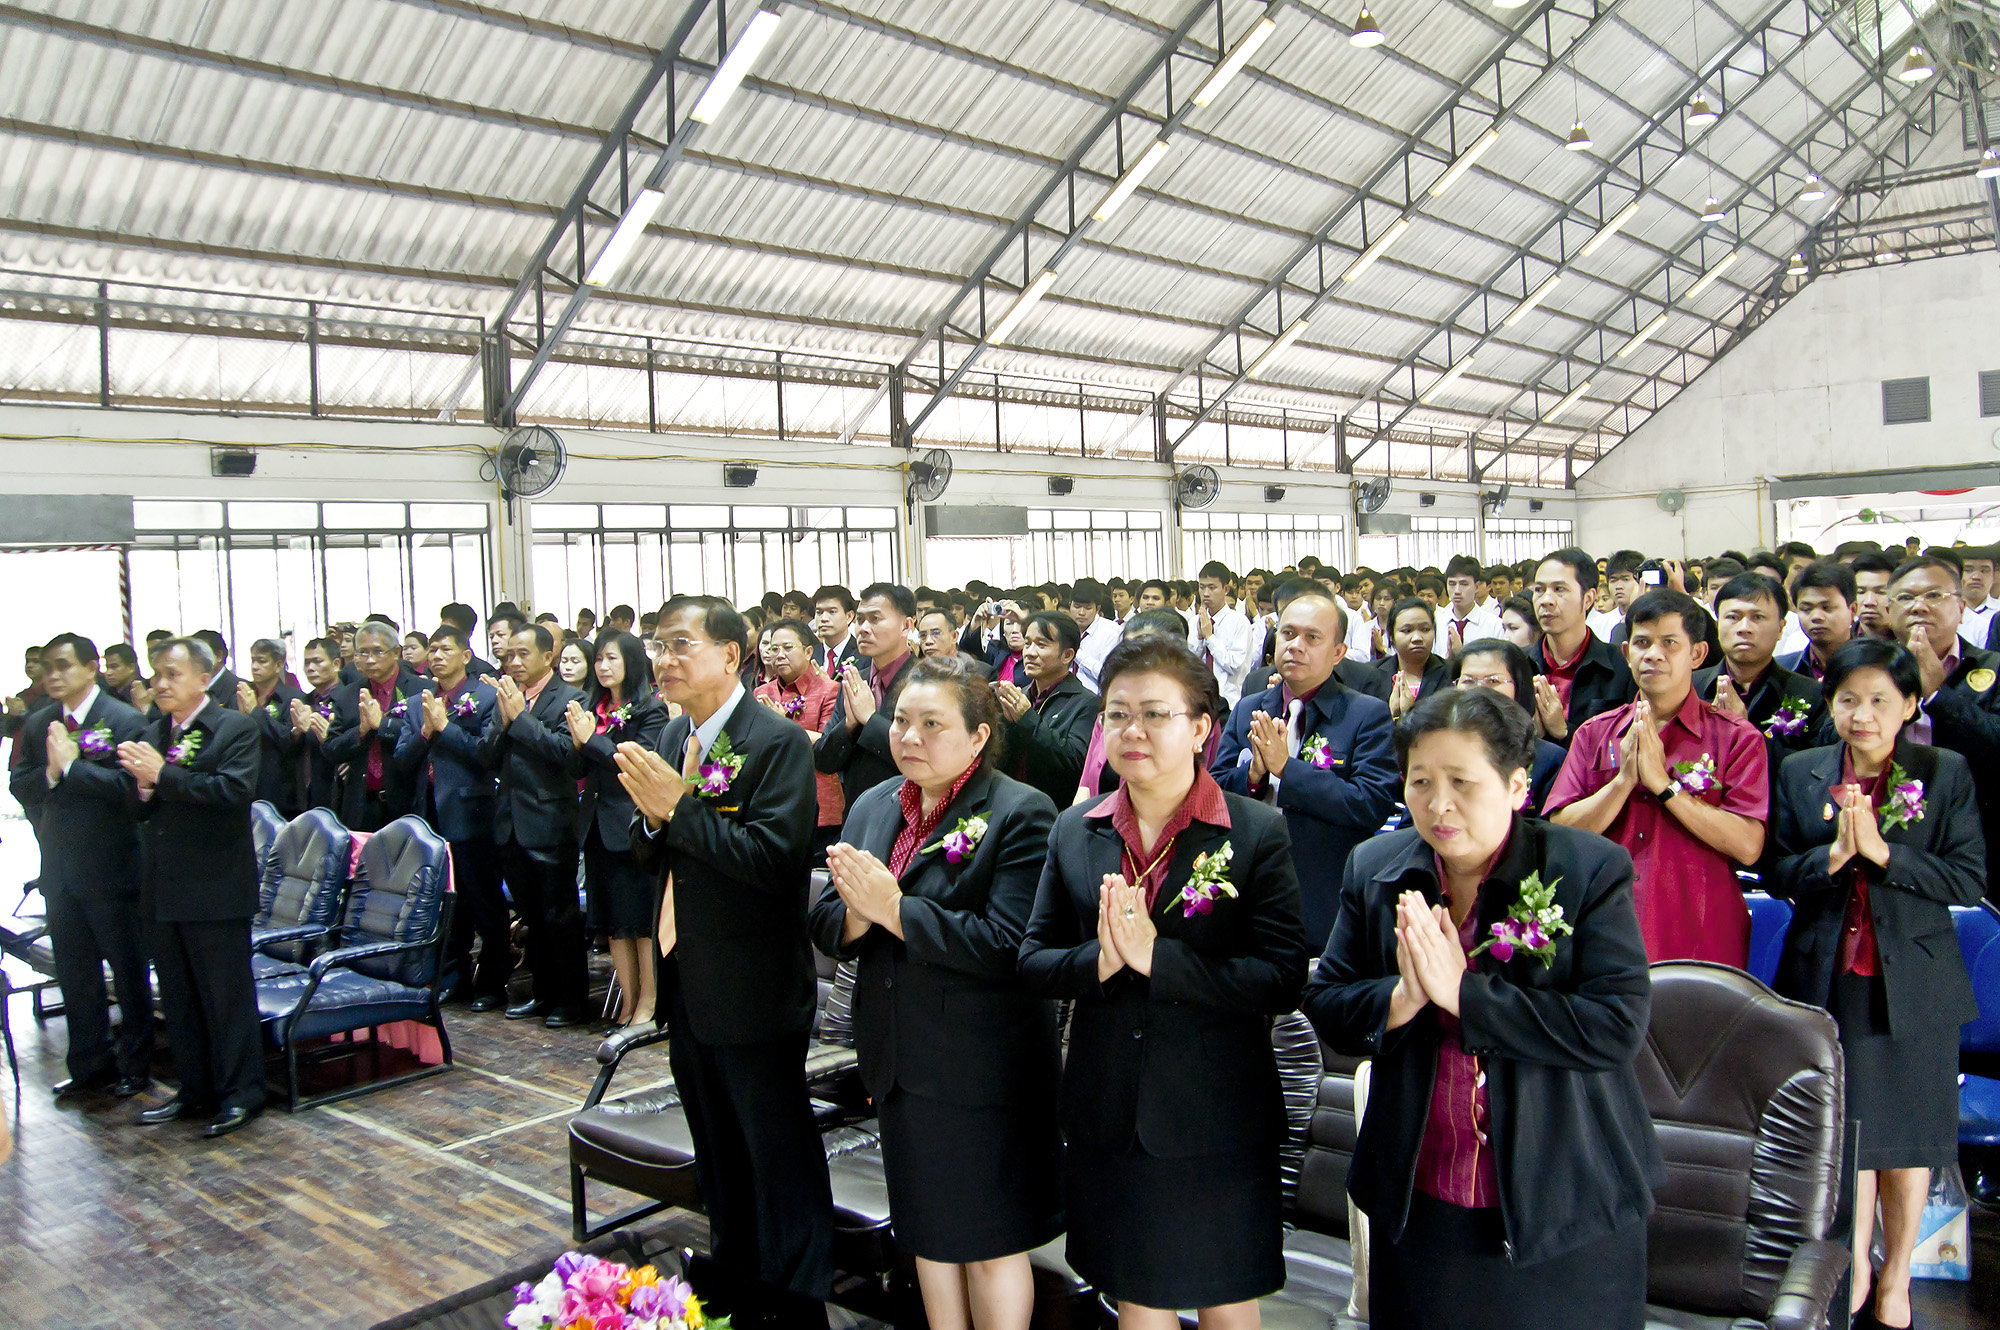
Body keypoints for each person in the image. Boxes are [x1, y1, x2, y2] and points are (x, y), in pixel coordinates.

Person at [1302, 686, 1660, 1329]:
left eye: (1462, 783)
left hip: (1562, 1197)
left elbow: (1614, 1026)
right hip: (1421, 1193)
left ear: (1517, 785)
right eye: (1420, 782)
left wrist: (1463, 995)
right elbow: (1327, 1001)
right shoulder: (1377, 869)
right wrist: (1401, 998)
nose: (1438, 805)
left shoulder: (1585, 869)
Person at [1021, 634, 1309, 1325]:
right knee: (1135, 1295)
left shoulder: (1254, 830)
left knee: (1226, 1297)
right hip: (1109, 1104)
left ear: (1202, 728)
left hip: (1216, 1110)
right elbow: (1033, 960)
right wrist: (1102, 961)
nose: (1133, 731)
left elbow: (1281, 978)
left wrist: (1160, 961)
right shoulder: (1075, 829)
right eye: (1118, 714)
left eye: (1155, 714)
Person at [809, 657, 1063, 1330]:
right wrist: (861, 914)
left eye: (932, 724)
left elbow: (1008, 943)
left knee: (989, 1239)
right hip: (899, 1053)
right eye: (900, 721)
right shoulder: (874, 804)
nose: (909, 737)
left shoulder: (1019, 811)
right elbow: (828, 921)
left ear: (978, 736)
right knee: (926, 1230)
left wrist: (893, 910)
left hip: (983, 1064)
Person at [618, 595, 835, 1324]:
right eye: (658, 645)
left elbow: (773, 862)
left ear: (730, 655)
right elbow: (654, 848)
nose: (664, 659)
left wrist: (677, 809)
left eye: (681, 644)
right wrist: (658, 818)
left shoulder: (774, 742)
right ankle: (735, 1295)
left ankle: (796, 1307)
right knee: (718, 1154)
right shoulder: (676, 734)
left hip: (753, 985)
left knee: (776, 1160)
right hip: (690, 977)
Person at [1767, 638, 1985, 1330]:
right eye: (1848, 700)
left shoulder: (1943, 772)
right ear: (1830, 705)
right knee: (1848, 1136)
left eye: (1880, 701)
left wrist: (1885, 855)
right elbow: (1776, 870)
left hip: (1915, 979)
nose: (1862, 715)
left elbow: (1968, 878)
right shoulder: (1801, 769)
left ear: (1911, 705)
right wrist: (1831, 859)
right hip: (1828, 974)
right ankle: (1854, 1266)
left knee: (1911, 1139)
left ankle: (1897, 1278)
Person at [1546, 590, 1768, 966]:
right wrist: (1622, 782)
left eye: (1669, 643)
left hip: (1701, 935)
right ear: (1626, 653)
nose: (1653, 655)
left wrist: (1665, 787)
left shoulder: (1736, 737)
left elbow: (1748, 845)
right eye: (1642, 643)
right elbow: (1560, 836)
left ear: (1697, 654)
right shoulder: (1594, 733)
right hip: (1605, 932)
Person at [118, 637, 265, 1139]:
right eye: (156, 674)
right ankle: (195, 1090)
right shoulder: (153, 732)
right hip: (164, 887)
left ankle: (241, 1094)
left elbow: (233, 792)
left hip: (215, 886)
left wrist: (162, 775)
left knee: (225, 998)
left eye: (172, 675)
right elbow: (137, 809)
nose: (160, 683)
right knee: (179, 999)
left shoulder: (234, 728)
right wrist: (143, 787)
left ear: (204, 679)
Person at [9, 634, 155, 1101]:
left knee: (127, 973)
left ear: (92, 668)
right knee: (75, 975)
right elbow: (20, 783)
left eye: (64, 665)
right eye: (48, 667)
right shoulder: (40, 722)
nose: (53, 675)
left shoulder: (124, 719)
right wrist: (51, 774)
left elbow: (131, 789)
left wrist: (75, 769)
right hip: (60, 868)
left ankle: (137, 1065)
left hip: (112, 867)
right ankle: (90, 1066)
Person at [1212, 584, 1398, 948]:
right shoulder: (1250, 707)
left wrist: (1288, 769)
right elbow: (1214, 791)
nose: (1296, 645)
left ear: (1338, 652)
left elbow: (1371, 804)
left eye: (1312, 638)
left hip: (1322, 888)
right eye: (1288, 634)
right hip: (1248, 883)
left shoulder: (1364, 714)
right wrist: (1253, 776)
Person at [481, 622, 590, 1028]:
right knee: (532, 918)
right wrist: (505, 720)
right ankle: (542, 992)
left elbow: (567, 754)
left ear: (548, 656)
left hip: (549, 823)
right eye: (509, 654)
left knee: (560, 917)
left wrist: (521, 720)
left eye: (522, 653)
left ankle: (571, 1000)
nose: (513, 661)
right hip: (509, 823)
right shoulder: (506, 697)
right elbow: (487, 756)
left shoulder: (571, 697)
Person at [394, 625, 507, 1009]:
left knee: (484, 902)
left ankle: (492, 983)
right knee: (445, 904)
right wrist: (427, 732)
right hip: (428, 814)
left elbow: (487, 754)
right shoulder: (417, 702)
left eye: (446, 649)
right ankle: (452, 978)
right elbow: (402, 759)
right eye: (433, 650)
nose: (438, 656)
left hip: (470, 813)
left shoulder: (485, 696)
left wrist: (445, 728)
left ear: (465, 655)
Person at [569, 630, 671, 1030]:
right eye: (598, 659)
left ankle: (650, 1003)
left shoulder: (650, 710)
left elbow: (636, 763)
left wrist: (590, 740)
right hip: (595, 825)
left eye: (611, 658)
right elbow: (577, 768)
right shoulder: (590, 709)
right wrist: (578, 742)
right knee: (613, 922)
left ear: (631, 660)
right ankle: (628, 1002)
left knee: (640, 922)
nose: (602, 666)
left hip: (630, 823)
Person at [1886, 554, 2000, 897]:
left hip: (1980, 831)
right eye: (1905, 597)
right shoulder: (1868, 669)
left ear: (1961, 608)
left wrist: (1938, 695)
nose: (1919, 606)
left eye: (1934, 595)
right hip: (1890, 836)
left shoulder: (1994, 667)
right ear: (1889, 611)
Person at [1696, 574, 1826, 765]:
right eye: (1733, 617)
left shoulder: (1812, 695)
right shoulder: (1690, 687)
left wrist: (1744, 731)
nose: (1744, 628)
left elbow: (1809, 769)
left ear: (1781, 628)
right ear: (1717, 626)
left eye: (1758, 617)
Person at [815, 582, 919, 808]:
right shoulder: (854, 681)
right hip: (858, 811)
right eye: (860, 619)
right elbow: (823, 759)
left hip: (909, 809)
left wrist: (870, 720)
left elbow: (922, 754)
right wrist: (849, 726)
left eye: (875, 619)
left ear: (906, 626)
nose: (863, 628)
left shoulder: (926, 681)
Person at [323, 620, 433, 831]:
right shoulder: (346, 695)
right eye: (362, 653)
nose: (370, 659)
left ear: (396, 652)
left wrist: (383, 725)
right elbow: (331, 748)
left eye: (378, 652)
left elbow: (424, 735)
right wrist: (361, 731)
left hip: (408, 801)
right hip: (362, 805)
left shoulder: (421, 689)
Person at [755, 618, 845, 863]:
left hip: (818, 801)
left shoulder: (830, 690)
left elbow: (827, 743)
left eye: (787, 647)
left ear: (808, 651)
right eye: (774, 649)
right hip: (772, 800)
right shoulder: (761, 693)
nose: (779, 655)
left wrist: (782, 725)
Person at [1447, 639, 1567, 813]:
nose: (1479, 690)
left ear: (1519, 687)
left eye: (1493, 681)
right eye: (1468, 681)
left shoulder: (1549, 759)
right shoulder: (1439, 750)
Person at [1529, 548, 1635, 745]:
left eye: (1559, 589)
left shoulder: (1621, 667)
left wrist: (1564, 731)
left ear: (1588, 599)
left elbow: (1623, 745)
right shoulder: (1519, 665)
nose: (1546, 600)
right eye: (1539, 590)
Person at [996, 611, 1097, 811]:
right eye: (1027, 643)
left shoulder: (1087, 703)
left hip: (1052, 811)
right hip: (1011, 806)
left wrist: (1027, 718)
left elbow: (1074, 762)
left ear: (1067, 655)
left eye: (1041, 645)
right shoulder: (1022, 695)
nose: (1029, 653)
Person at [238, 637, 305, 815]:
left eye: (262, 661)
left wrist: (255, 712)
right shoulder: (242, 694)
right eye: (253, 660)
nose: (254, 667)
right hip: (244, 781)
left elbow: (288, 739)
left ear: (278, 665)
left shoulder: (293, 698)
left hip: (279, 788)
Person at [1369, 596, 1449, 720]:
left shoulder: (1451, 672)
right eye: (1407, 631)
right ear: (1392, 636)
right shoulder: (1371, 674)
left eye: (1425, 629)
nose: (1417, 638)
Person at [288, 636, 343, 813]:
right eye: (307, 663)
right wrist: (296, 733)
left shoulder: (347, 698)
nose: (310, 668)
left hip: (336, 787)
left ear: (336, 664)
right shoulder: (303, 700)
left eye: (317, 661)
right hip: (303, 791)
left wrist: (313, 730)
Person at [1781, 560, 1857, 683]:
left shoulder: (1877, 668)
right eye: (1806, 609)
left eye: (1826, 608)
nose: (1816, 616)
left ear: (1853, 610)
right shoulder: (1783, 670)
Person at [1192, 560, 1254, 708]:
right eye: (1202, 587)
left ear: (1226, 589)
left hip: (1230, 703)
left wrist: (1209, 638)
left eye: (1212, 587)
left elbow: (1236, 665)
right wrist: (1200, 640)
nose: (1206, 593)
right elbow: (1190, 663)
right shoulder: (1194, 621)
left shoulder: (1240, 622)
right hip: (1200, 702)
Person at [1436, 555, 1501, 656]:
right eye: (1452, 584)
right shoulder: (1437, 624)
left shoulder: (1495, 625)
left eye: (1464, 584)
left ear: (1476, 587)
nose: (1457, 591)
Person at [1070, 579, 1120, 692]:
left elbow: (1107, 675)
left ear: (1097, 609)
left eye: (1087, 608)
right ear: (1070, 605)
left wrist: (1076, 653)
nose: (1081, 613)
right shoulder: (1064, 629)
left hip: (1096, 698)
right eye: (1076, 607)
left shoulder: (1111, 633)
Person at [811, 584, 860, 673]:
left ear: (849, 616)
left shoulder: (863, 655)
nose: (824, 618)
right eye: (819, 612)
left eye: (832, 612)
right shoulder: (809, 655)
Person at [1850, 553, 1899, 641]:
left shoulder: (1910, 641)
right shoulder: (1840, 642)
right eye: (1860, 592)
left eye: (1881, 592)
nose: (1869, 601)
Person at [1958, 546, 1997, 649]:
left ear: (1994, 577)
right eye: (1968, 570)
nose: (1976, 577)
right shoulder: (1947, 614)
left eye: (1984, 571)